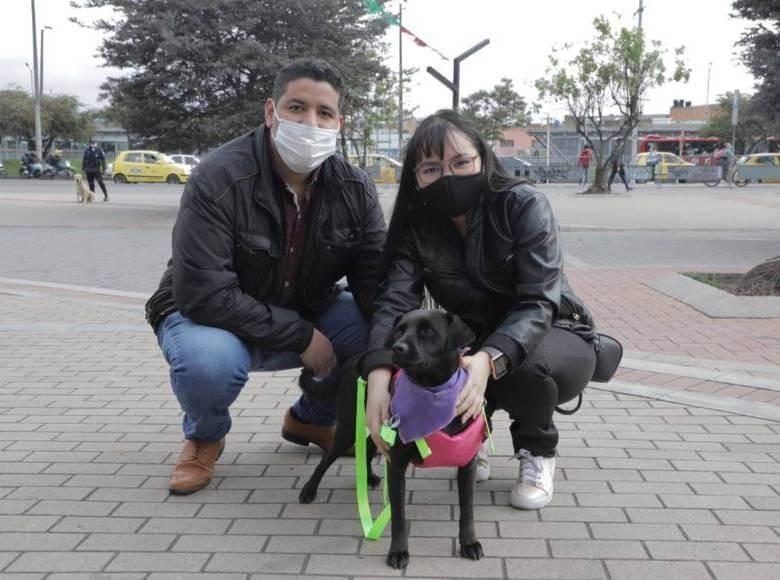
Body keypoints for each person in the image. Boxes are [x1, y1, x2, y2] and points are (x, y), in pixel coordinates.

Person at [144, 58, 386, 495]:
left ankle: (311, 419)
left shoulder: (354, 187)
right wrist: (301, 337)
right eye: (297, 108)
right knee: (208, 363)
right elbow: (204, 292)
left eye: (324, 113)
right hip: (207, 318)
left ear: (339, 122)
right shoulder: (218, 176)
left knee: (374, 329)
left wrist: (404, 355)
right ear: (271, 111)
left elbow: (375, 281)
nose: (310, 122)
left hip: (305, 307)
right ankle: (204, 436)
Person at [362, 110, 597, 511]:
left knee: (517, 363)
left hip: (554, 328)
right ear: (415, 177)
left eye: (460, 163)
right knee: (438, 353)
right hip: (477, 332)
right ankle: (472, 439)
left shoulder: (522, 204)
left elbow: (539, 300)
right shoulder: (417, 225)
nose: (447, 177)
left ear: (483, 159)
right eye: (431, 168)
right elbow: (396, 301)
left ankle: (537, 449)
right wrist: (379, 370)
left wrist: (489, 357)